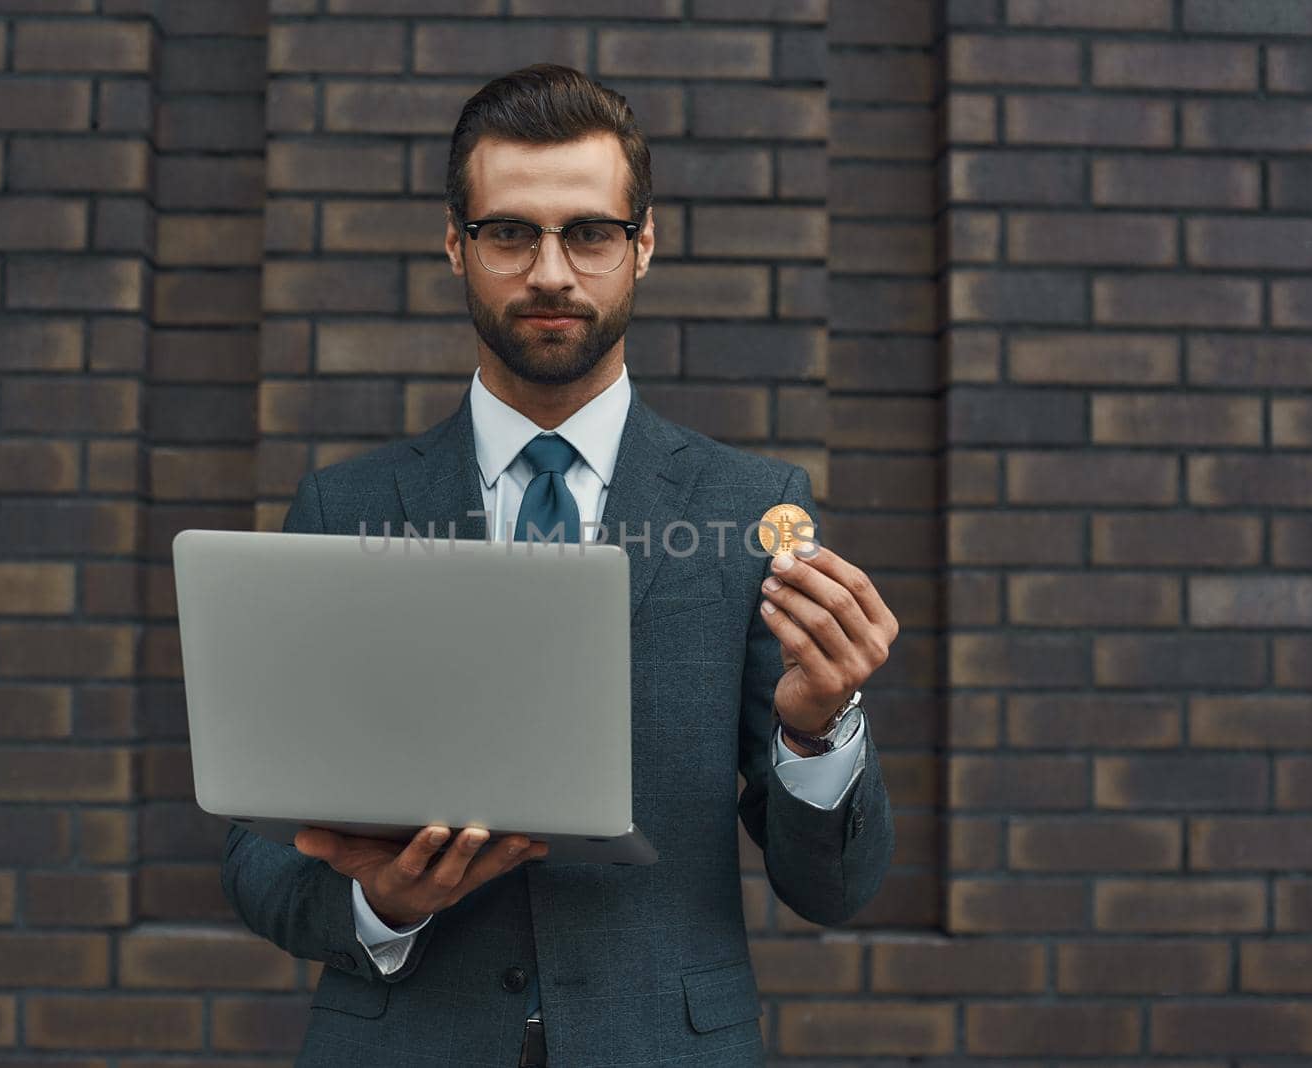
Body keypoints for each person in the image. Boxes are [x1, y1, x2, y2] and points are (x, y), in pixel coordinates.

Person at [221, 64, 898, 1067]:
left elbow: (832, 890)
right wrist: (376, 904)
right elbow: (258, 856)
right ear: (456, 245)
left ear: (644, 244)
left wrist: (816, 730)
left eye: (589, 233)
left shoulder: (746, 510)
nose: (550, 271)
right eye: (510, 233)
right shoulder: (344, 509)